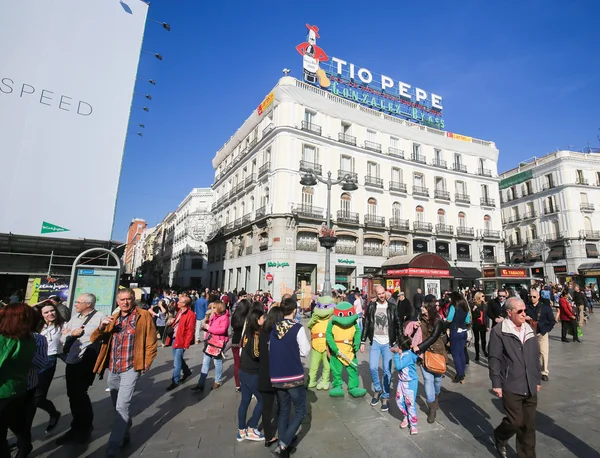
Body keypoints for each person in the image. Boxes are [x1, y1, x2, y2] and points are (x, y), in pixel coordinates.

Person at [90, 288, 158, 458]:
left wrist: (147, 362)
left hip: (131, 367)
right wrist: (101, 327)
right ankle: (125, 431)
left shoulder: (142, 316)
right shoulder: (112, 318)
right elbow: (93, 338)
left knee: (122, 406)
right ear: (117, 302)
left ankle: (112, 448)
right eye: (122, 300)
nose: (125, 302)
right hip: (113, 367)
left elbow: (151, 340)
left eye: (128, 299)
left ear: (133, 299)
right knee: (116, 404)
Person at [489, 297, 541, 458]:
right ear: (509, 313)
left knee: (529, 426)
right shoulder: (499, 331)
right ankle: (500, 435)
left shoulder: (529, 329)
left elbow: (535, 356)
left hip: (530, 384)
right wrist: (496, 383)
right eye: (520, 311)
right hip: (511, 383)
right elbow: (494, 358)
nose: (524, 314)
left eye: (525, 310)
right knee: (516, 421)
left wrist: (537, 378)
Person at [56, 293, 105, 446]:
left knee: (80, 394)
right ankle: (76, 426)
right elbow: (64, 336)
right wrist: (71, 333)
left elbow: (105, 335)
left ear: (88, 304)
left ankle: (84, 428)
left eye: (78, 302)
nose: (75, 304)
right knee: (73, 395)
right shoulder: (75, 317)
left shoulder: (100, 317)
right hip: (72, 360)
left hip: (86, 361)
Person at [269, 298, 310, 458]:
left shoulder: (274, 328)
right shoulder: (297, 328)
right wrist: (294, 353)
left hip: (277, 376)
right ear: (294, 310)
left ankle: (282, 444)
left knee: (284, 410)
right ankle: (284, 442)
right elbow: (305, 350)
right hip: (293, 375)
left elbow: (271, 348)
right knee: (300, 411)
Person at [0, 304, 37, 458]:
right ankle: (24, 446)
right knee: (15, 424)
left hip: (3, 391)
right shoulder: (30, 339)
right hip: (19, 389)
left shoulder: (5, 340)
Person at [360, 284, 402, 412]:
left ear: (386, 292)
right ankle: (377, 390)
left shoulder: (392, 307)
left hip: (388, 343)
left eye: (383, 293)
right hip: (376, 342)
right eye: (379, 294)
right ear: (376, 295)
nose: (381, 295)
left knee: (387, 371)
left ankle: (385, 396)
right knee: (372, 367)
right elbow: (367, 323)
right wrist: (363, 341)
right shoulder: (372, 306)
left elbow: (398, 324)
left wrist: (400, 343)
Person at [411, 295, 446, 424]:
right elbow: (416, 334)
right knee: (427, 379)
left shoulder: (438, 320)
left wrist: (419, 347)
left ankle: (436, 396)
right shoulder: (420, 318)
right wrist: (415, 327)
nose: (422, 308)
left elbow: (434, 337)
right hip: (423, 354)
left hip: (436, 352)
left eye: (424, 307)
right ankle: (432, 408)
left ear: (429, 308)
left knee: (437, 380)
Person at [237, 309, 265, 442]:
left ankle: (241, 430)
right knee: (263, 399)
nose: (264, 319)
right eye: (262, 318)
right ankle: (252, 428)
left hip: (243, 370)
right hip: (251, 372)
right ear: (257, 319)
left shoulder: (246, 331)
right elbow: (256, 354)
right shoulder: (255, 334)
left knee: (245, 401)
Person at [36, 302, 64, 432]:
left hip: (49, 361)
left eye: (52, 310)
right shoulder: (37, 327)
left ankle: (54, 413)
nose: (50, 314)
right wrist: (40, 303)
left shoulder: (63, 325)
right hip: (33, 361)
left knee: (38, 397)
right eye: (46, 312)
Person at [192, 300, 230, 391]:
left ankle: (218, 380)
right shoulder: (214, 316)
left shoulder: (224, 318)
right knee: (205, 362)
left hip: (218, 342)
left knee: (217, 362)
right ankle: (201, 383)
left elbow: (222, 330)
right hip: (210, 341)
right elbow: (211, 328)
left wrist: (210, 328)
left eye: (214, 307)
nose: (212, 309)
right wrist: (206, 328)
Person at [259, 307, 283, 449]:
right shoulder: (279, 334)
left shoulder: (262, 333)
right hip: (278, 374)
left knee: (267, 408)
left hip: (264, 374)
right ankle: (283, 434)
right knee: (282, 407)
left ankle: (268, 437)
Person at [166, 295, 196, 391]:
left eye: (179, 301)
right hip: (175, 338)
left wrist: (186, 344)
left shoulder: (191, 315)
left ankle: (175, 380)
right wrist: (172, 321)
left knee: (176, 362)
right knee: (177, 359)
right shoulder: (180, 311)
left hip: (181, 340)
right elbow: (178, 323)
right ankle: (186, 371)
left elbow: (190, 331)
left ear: (184, 304)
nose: (177, 302)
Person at [525, 288, 554, 382]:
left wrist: (544, 331)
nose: (532, 298)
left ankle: (544, 372)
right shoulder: (526, 306)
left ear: (538, 297)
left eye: (534, 297)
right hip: (529, 333)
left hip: (541, 332)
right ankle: (531, 370)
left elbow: (552, 321)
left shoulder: (545, 307)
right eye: (530, 296)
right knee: (530, 352)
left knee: (543, 352)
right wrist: (525, 318)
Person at [393, 336, 419, 435]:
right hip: (401, 381)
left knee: (410, 404)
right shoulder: (405, 353)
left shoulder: (407, 355)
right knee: (399, 400)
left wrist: (395, 354)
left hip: (410, 382)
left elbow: (399, 366)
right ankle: (406, 416)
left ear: (400, 346)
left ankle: (413, 425)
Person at [446, 292, 471, 383]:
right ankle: (462, 371)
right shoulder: (465, 307)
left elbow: (449, 319)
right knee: (462, 353)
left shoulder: (453, 306)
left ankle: (460, 374)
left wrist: (444, 321)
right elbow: (468, 320)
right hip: (464, 331)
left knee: (455, 354)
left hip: (455, 330)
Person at [231, 299, 251, 392]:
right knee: (245, 363)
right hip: (244, 342)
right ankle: (245, 382)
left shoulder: (235, 316)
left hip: (235, 341)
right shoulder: (247, 318)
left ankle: (237, 384)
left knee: (237, 363)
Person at [470, 292, 488, 362]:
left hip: (483, 324)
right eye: (482, 296)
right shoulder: (473, 304)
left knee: (483, 339)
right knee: (476, 339)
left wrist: (487, 326)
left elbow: (486, 316)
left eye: (484, 296)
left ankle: (484, 351)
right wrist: (474, 310)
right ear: (478, 297)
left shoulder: (485, 305)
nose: (484, 297)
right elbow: (473, 315)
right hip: (476, 324)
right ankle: (477, 354)